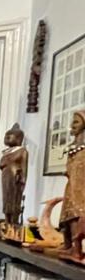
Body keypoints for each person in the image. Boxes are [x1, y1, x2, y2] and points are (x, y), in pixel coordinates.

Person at [61, 110, 85, 259]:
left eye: (76, 122)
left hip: (80, 188)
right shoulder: (73, 148)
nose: (72, 125)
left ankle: (77, 249)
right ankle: (69, 245)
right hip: (71, 186)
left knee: (76, 214)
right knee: (67, 215)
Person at [0, 123, 28, 227]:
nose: (7, 137)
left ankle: (14, 221)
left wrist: (23, 180)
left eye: (10, 135)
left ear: (19, 138)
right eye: (6, 136)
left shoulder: (22, 151)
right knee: (6, 199)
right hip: (6, 178)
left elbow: (24, 167)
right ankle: (7, 220)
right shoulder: (6, 152)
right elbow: (1, 165)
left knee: (14, 199)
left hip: (15, 178)